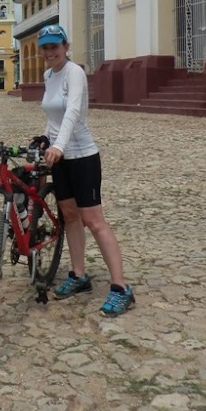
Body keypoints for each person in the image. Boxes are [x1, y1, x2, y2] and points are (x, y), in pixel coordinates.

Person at [36, 25, 135, 317]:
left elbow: (73, 113)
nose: (50, 52)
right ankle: (79, 275)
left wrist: (60, 146)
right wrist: (45, 138)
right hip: (60, 157)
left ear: (66, 46)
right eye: (45, 47)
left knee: (94, 220)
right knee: (69, 216)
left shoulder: (74, 73)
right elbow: (53, 118)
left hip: (82, 157)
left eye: (55, 46)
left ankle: (121, 288)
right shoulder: (48, 75)